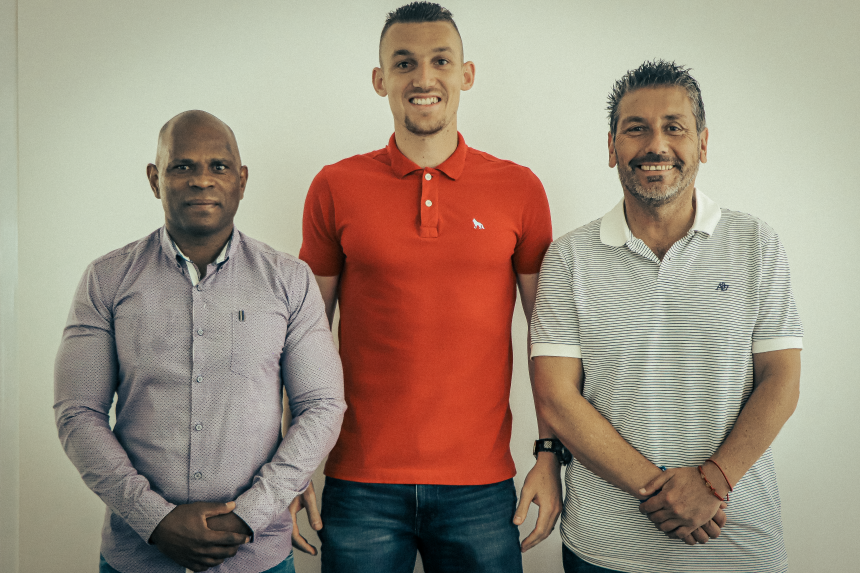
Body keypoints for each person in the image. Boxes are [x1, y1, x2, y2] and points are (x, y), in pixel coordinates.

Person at [293, 2, 558, 572]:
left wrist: (549, 454)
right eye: (404, 63)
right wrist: (289, 467)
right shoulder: (335, 186)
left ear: (466, 73)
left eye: (441, 60)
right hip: (358, 482)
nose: (423, 77)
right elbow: (301, 341)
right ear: (380, 79)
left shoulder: (519, 189)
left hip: (482, 487)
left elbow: (551, 340)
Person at [529, 59, 803, 573]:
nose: (656, 144)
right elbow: (556, 397)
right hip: (606, 549)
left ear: (702, 143)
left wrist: (713, 482)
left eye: (673, 127)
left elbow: (782, 379)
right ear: (611, 148)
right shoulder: (569, 258)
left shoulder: (756, 243)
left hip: (738, 544)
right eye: (636, 129)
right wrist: (667, 492)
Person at [54, 110, 346, 573]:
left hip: (257, 558)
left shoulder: (289, 280)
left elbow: (323, 406)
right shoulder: (106, 280)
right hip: (138, 557)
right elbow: (77, 413)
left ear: (243, 179)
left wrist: (247, 517)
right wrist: (156, 520)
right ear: (155, 179)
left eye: (219, 166)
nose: (201, 181)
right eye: (182, 166)